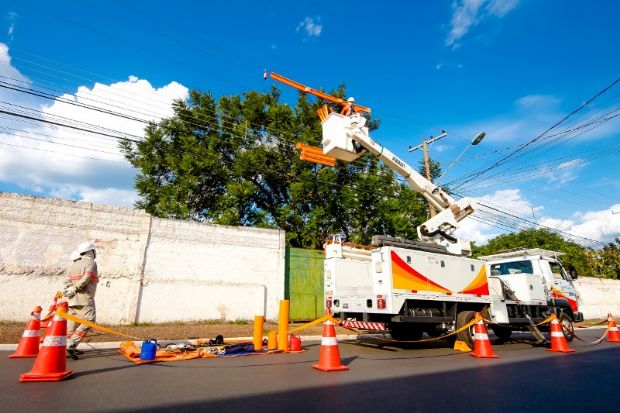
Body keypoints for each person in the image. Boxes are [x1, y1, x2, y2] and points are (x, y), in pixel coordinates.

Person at [63, 241, 99, 360]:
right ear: (91, 252)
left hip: (72, 299)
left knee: (73, 323)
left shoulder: (74, 264)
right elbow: (86, 279)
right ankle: (71, 344)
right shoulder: (91, 263)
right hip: (85, 298)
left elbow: (67, 280)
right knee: (89, 320)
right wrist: (76, 288)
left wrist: (70, 289)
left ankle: (69, 347)